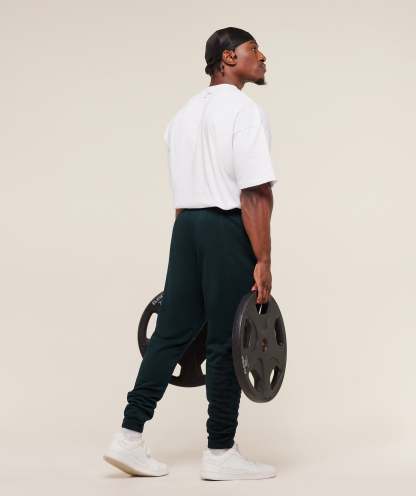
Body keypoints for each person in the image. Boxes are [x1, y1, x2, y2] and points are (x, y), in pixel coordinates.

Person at [103, 26, 278, 480]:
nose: (262, 57)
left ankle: (128, 436)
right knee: (226, 341)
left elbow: (183, 190)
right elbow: (255, 192)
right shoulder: (245, 111)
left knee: (170, 335)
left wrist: (191, 241)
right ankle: (220, 451)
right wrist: (263, 259)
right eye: (253, 49)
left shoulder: (182, 115)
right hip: (225, 228)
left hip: (186, 228)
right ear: (228, 57)